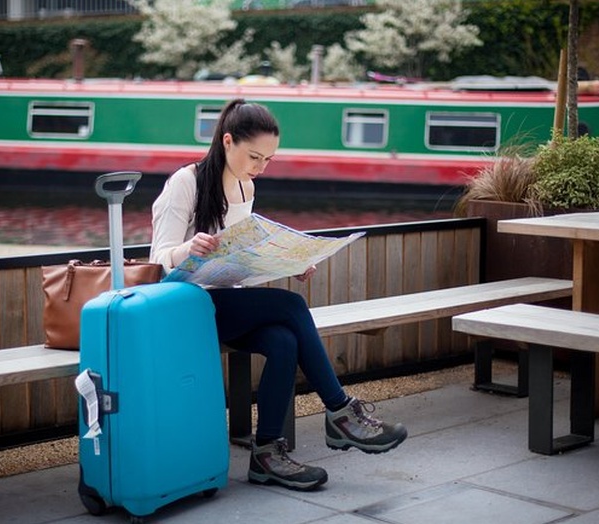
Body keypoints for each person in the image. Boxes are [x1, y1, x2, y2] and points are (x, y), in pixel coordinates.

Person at [149, 98, 407, 491]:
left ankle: (267, 455)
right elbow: (158, 258)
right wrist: (189, 248)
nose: (260, 167)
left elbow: (242, 260)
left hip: (224, 303)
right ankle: (340, 412)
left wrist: (289, 262)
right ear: (227, 141)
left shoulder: (245, 185)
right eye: (254, 156)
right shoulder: (185, 183)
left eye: (268, 160)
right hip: (184, 305)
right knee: (291, 305)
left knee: (284, 341)